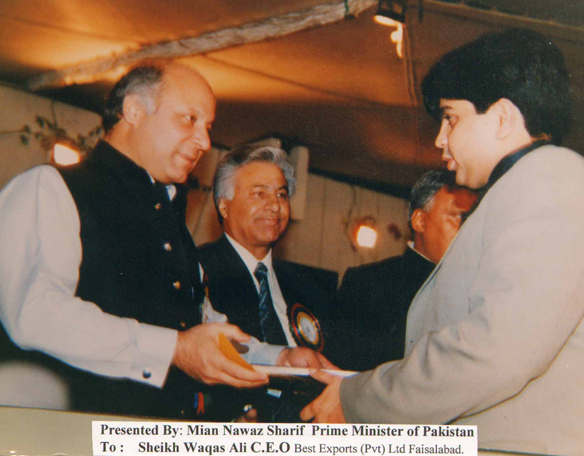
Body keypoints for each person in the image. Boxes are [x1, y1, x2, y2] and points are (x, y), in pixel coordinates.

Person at [301, 28, 584, 455]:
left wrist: (360, 400)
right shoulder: (521, 190)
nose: (440, 139)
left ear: (503, 118)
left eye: (451, 118)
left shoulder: (552, 180)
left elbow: (497, 351)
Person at [0, 61, 324, 419]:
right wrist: (175, 348)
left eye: (207, 127)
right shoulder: (49, 188)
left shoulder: (169, 219)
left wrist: (279, 358)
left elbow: (202, 331)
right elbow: (35, 313)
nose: (204, 142)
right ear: (134, 110)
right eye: (189, 119)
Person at [199, 144, 333, 421]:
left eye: (281, 195)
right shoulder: (199, 270)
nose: (274, 206)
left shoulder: (308, 287)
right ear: (224, 205)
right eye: (259, 193)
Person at [325, 170, 476, 371]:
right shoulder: (367, 284)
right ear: (420, 221)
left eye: (471, 222)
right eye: (458, 218)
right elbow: (341, 372)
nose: (468, 231)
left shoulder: (477, 291)